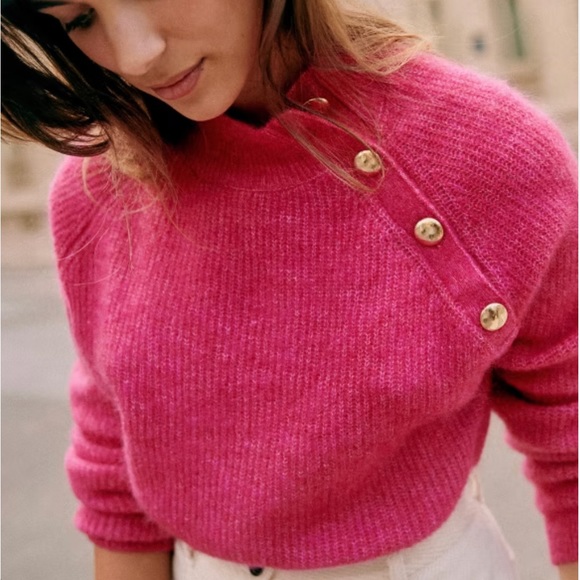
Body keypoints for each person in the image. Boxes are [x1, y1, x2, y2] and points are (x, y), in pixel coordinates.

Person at [2, 0, 577, 579]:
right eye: (79, 19)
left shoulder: (488, 152)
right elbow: (114, 464)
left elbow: (570, 431)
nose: (135, 56)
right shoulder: (97, 192)